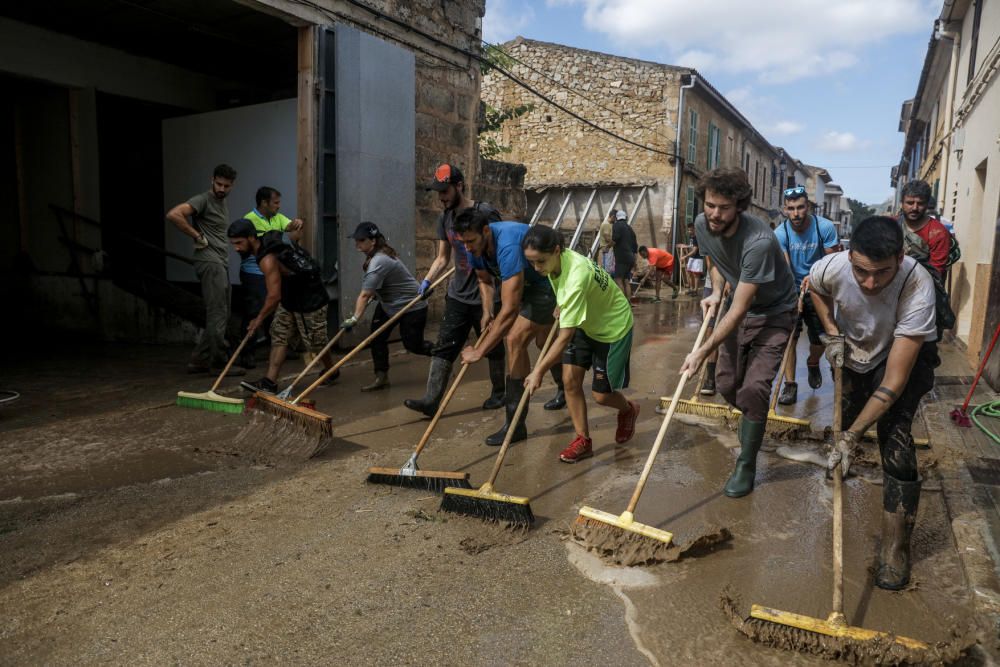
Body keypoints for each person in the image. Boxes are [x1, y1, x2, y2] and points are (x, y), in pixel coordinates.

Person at [810, 216, 938, 590]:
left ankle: (895, 549)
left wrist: (852, 437)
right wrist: (831, 332)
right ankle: (841, 458)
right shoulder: (833, 266)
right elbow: (814, 287)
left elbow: (895, 382)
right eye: (861, 271)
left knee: (894, 440)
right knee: (847, 416)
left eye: (881, 273)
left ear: (900, 257)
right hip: (851, 351)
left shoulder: (917, 285)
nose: (869, 283)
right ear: (850, 255)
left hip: (898, 358)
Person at [679, 168, 798, 498]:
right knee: (729, 385)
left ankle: (746, 463)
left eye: (724, 208)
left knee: (755, 388)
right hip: (736, 304)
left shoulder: (758, 241)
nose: (715, 214)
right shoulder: (703, 225)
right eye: (710, 205)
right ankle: (752, 421)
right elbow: (715, 261)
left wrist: (703, 350)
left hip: (774, 313)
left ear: (739, 206)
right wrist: (716, 291)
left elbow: (742, 308)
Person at [522, 226, 639, 462]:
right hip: (586, 322)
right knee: (570, 381)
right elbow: (564, 288)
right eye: (532, 263)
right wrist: (564, 305)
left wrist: (538, 371)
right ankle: (583, 440)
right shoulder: (557, 263)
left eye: (540, 262)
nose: (537, 269)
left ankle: (628, 409)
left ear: (556, 250)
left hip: (612, 329)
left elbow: (564, 336)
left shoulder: (576, 275)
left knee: (601, 396)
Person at [403, 163, 508, 417]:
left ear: (459, 186)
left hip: (486, 292)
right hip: (458, 294)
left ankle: (499, 393)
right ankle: (431, 399)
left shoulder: (484, 212)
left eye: (445, 191)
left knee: (491, 344)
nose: (440, 197)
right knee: (444, 346)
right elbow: (442, 258)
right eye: (438, 192)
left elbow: (498, 249)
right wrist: (426, 282)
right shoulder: (445, 218)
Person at [454, 209, 564, 445]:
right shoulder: (473, 246)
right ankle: (563, 388)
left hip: (547, 282)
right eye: (462, 242)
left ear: (486, 231)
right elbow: (484, 280)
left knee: (515, 339)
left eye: (471, 241)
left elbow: (511, 308)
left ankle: (515, 425)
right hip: (524, 284)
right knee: (544, 343)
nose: (467, 248)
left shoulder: (508, 245)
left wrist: (479, 351)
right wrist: (486, 310)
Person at [227, 220, 338, 394]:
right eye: (233, 244)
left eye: (239, 243)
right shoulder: (267, 242)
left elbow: (273, 296)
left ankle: (331, 371)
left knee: (316, 343)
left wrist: (258, 319)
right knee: (279, 335)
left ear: (251, 237)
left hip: (309, 297)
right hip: (289, 296)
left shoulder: (267, 258)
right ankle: (269, 382)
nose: (236, 248)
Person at [166, 164, 242, 376]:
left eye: (227, 186)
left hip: (220, 262)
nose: (222, 188)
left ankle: (200, 359)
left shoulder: (221, 202)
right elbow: (174, 214)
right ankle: (218, 363)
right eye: (219, 184)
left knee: (222, 313)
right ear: (212, 180)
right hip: (210, 261)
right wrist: (196, 236)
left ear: (232, 186)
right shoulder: (203, 200)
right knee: (217, 314)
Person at [344, 222, 434, 392]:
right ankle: (381, 377)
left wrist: (355, 318)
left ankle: (442, 357)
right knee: (376, 339)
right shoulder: (375, 255)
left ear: (372, 241)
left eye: (361, 240)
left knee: (413, 345)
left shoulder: (379, 260)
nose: (357, 244)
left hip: (411, 307)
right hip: (389, 305)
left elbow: (365, 295)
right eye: (356, 240)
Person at [774, 185, 839, 405]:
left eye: (800, 207)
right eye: (791, 208)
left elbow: (833, 264)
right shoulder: (780, 233)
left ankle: (813, 361)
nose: (796, 213)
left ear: (808, 207)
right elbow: (783, 268)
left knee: (821, 337)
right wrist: (792, 295)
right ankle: (790, 385)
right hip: (791, 287)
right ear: (785, 209)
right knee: (789, 336)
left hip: (820, 286)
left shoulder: (825, 228)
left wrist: (814, 278)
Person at [238, 186, 305, 369]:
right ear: (263, 203)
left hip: (272, 272)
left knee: (276, 311)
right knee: (254, 311)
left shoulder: (277, 218)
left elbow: (289, 225)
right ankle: (246, 353)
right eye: (275, 203)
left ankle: (276, 347)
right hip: (254, 272)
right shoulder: (249, 221)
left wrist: (297, 223)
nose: (279, 206)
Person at [899, 180, 951, 278]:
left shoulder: (938, 233)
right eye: (910, 203)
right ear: (901, 203)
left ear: (927, 204)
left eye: (920, 203)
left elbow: (936, 272)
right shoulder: (892, 226)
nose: (914, 208)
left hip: (924, 286)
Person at [611, 210, 638, 302]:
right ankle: (628, 301)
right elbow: (635, 247)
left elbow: (615, 239)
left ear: (617, 218)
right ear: (625, 217)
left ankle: (622, 303)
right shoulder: (630, 229)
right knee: (626, 280)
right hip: (630, 258)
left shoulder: (617, 225)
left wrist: (607, 246)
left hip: (622, 257)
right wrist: (635, 262)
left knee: (618, 279)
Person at [681, 222, 704, 294]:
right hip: (692, 257)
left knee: (696, 275)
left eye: (691, 230)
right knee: (689, 272)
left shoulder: (697, 237)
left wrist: (685, 256)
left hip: (697, 258)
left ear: (695, 229)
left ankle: (695, 290)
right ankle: (691, 288)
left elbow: (694, 250)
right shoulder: (691, 237)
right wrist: (685, 246)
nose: (689, 231)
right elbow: (692, 246)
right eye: (688, 230)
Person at [598, 210, 616, 274]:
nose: (615, 220)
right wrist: (615, 243)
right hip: (607, 249)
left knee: (607, 268)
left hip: (607, 249)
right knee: (607, 269)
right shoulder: (606, 224)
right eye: (615, 218)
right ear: (613, 216)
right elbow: (607, 237)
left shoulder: (609, 224)